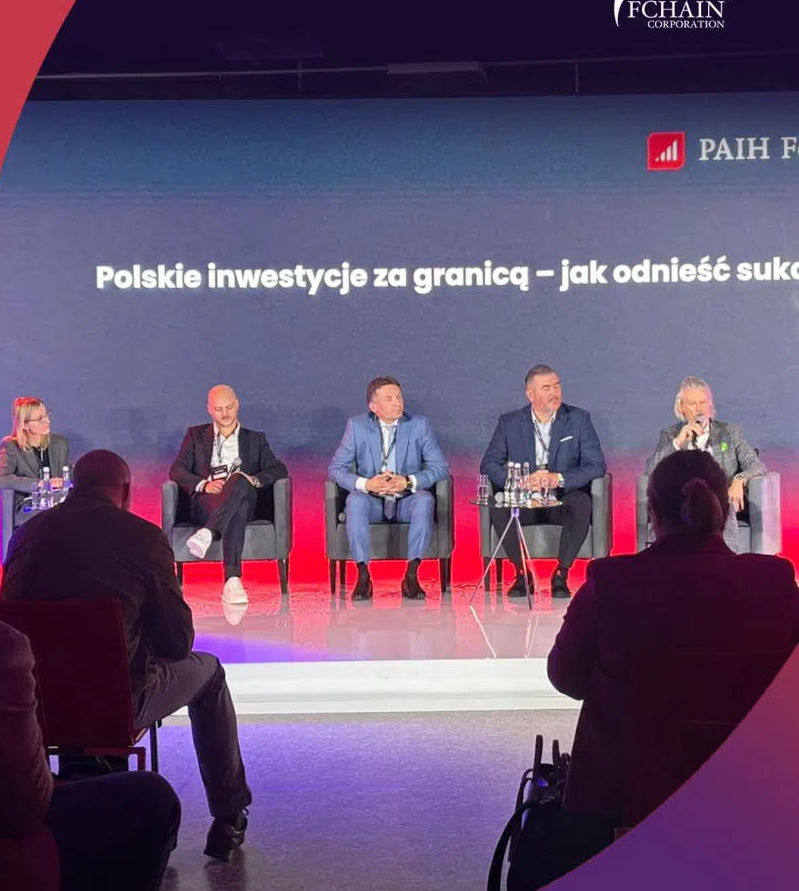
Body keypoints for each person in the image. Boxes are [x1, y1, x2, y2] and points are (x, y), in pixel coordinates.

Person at [0, 449, 252, 862]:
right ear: (127, 490)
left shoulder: (26, 536)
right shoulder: (143, 538)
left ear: (74, 485)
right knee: (209, 672)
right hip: (117, 704)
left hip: (35, 705)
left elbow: (9, 630)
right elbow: (177, 643)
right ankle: (229, 817)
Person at [548, 450, 799, 856]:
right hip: (759, 797)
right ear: (723, 510)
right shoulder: (776, 581)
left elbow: (566, 678)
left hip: (621, 808)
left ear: (653, 511)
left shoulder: (611, 582)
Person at [0, 611, 180, 890]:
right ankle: (229, 816)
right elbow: (23, 808)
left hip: (55, 709)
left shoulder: (15, 586)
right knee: (153, 798)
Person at [480, 365, 606, 598]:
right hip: (525, 501)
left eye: (557, 386)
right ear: (531, 395)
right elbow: (489, 464)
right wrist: (518, 481)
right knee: (499, 507)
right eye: (546, 388)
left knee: (581, 502)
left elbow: (597, 465)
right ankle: (521, 574)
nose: (554, 393)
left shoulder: (578, 419)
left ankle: (561, 574)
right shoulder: (509, 422)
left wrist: (558, 478)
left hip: (561, 500)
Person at [328, 375, 449, 601]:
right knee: (355, 500)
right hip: (372, 500)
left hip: (406, 500)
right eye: (389, 399)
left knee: (425, 500)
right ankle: (363, 575)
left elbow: (440, 467)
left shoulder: (418, 425)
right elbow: (336, 469)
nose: (397, 403)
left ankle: (411, 575)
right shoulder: (357, 426)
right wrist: (366, 484)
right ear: (374, 407)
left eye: (399, 397)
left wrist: (408, 481)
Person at [170, 384, 288, 605]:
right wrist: (204, 485)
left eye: (229, 407)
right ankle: (232, 580)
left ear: (237, 405)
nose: (225, 414)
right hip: (207, 503)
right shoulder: (195, 435)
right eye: (218, 409)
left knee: (238, 481)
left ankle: (208, 533)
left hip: (246, 498)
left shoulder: (255, 439)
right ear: (209, 409)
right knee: (238, 507)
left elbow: (278, 469)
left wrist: (251, 480)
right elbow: (177, 470)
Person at [644, 376, 766, 552]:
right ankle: (663, 560)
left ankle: (725, 557)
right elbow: (650, 470)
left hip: (721, 496)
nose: (699, 409)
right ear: (681, 408)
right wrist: (677, 443)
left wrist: (739, 480)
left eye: (703, 402)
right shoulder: (670, 434)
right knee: (667, 504)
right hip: (682, 497)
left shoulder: (729, 433)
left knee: (722, 501)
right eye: (692, 403)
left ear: (711, 405)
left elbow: (757, 465)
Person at [0, 398, 70, 527]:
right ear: (24, 425)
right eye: (40, 418)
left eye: (47, 415)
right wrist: (41, 484)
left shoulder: (59, 443)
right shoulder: (11, 446)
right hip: (29, 507)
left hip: (57, 502)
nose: (47, 421)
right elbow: (1, 479)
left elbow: (67, 471)